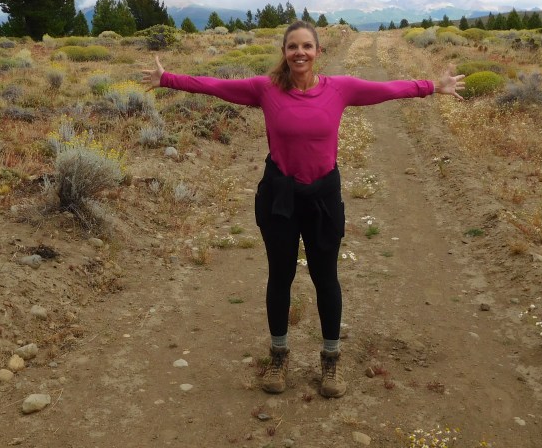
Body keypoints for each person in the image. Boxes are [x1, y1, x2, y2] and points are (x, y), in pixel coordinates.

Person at [142, 20, 464, 398]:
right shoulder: (265, 89)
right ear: (284, 52)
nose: (300, 53)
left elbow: (387, 90)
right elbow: (216, 86)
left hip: (323, 197)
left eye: (307, 46)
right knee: (280, 277)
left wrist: (433, 87)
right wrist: (168, 79)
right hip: (279, 197)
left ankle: (330, 361)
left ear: (318, 52)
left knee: (326, 278)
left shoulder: (340, 88)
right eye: (293, 46)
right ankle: (279, 356)